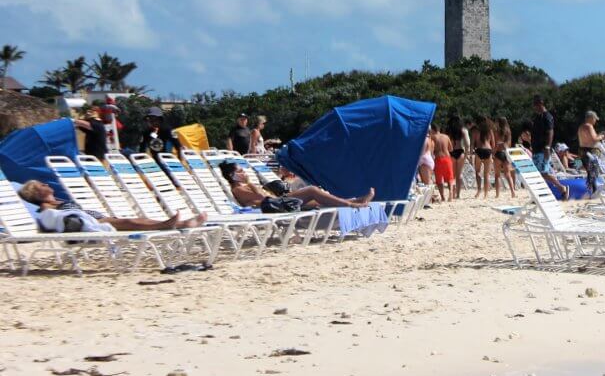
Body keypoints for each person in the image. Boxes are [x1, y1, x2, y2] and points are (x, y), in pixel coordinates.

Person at [18, 180, 207, 230]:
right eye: (42, 185)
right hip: (90, 223)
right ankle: (167, 224)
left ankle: (179, 224)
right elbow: (49, 218)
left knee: (138, 219)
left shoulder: (57, 201)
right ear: (36, 194)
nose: (47, 185)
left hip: (94, 217)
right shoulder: (47, 208)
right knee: (130, 221)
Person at [219, 161, 373, 209]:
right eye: (240, 171)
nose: (244, 172)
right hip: (274, 205)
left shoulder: (243, 186)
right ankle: (351, 204)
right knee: (312, 190)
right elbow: (260, 197)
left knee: (319, 200)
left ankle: (355, 201)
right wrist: (250, 183)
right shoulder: (238, 188)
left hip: (277, 202)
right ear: (232, 175)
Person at [530, 95, 567, 199]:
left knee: (543, 173)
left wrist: (547, 147)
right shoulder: (538, 117)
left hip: (543, 149)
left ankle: (561, 188)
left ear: (541, 103)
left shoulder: (547, 116)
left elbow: (550, 132)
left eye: (535, 104)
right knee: (538, 173)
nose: (534, 106)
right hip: (537, 149)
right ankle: (540, 195)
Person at [578, 111, 605, 196]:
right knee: (593, 172)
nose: (595, 121)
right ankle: (594, 191)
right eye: (594, 119)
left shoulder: (581, 127)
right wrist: (601, 136)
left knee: (590, 172)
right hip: (590, 151)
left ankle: (592, 191)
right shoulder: (589, 126)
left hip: (582, 150)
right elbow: (594, 139)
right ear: (590, 118)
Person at [445, 115, 471, 200]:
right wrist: (466, 155)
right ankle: (458, 194)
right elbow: (468, 144)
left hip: (451, 152)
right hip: (460, 152)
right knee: (459, 175)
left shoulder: (448, 130)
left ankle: (451, 193)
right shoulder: (463, 130)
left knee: (452, 175)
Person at [472, 115, 496, 198]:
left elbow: (472, 143)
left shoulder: (475, 130)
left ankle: (479, 190)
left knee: (477, 171)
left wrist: (472, 153)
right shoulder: (489, 130)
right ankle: (485, 194)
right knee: (486, 174)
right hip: (487, 150)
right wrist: (492, 153)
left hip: (479, 150)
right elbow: (493, 143)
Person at [493, 117, 516, 198]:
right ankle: (513, 192)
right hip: (506, 153)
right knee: (508, 174)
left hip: (498, 153)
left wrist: (493, 153)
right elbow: (508, 144)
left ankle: (497, 194)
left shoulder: (497, 131)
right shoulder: (508, 131)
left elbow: (496, 144)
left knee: (497, 175)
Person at [432, 124, 455, 202]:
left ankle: (443, 197)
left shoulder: (433, 137)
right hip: (447, 158)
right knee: (449, 177)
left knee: (439, 179)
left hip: (438, 158)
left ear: (433, 130)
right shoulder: (446, 136)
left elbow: (432, 149)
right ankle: (451, 192)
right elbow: (451, 149)